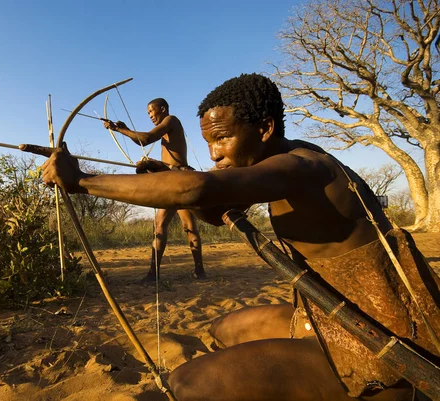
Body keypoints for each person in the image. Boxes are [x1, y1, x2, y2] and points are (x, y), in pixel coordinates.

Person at [43, 74, 440, 400]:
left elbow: (196, 191)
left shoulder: (302, 166)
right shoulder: (285, 159)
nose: (214, 154)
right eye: (209, 143)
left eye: (222, 139)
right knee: (223, 329)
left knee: (186, 385)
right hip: (327, 313)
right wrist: (168, 180)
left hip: (376, 342)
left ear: (265, 128)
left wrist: (81, 181)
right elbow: (213, 211)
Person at [103, 98, 205, 282]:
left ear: (163, 109)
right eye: (148, 113)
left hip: (178, 179)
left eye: (151, 111)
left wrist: (119, 129)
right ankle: (192, 271)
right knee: (175, 226)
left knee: (173, 226)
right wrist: (123, 128)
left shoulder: (171, 120)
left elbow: (146, 138)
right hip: (174, 180)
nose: (150, 116)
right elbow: (142, 140)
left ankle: (159, 273)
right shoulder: (167, 126)